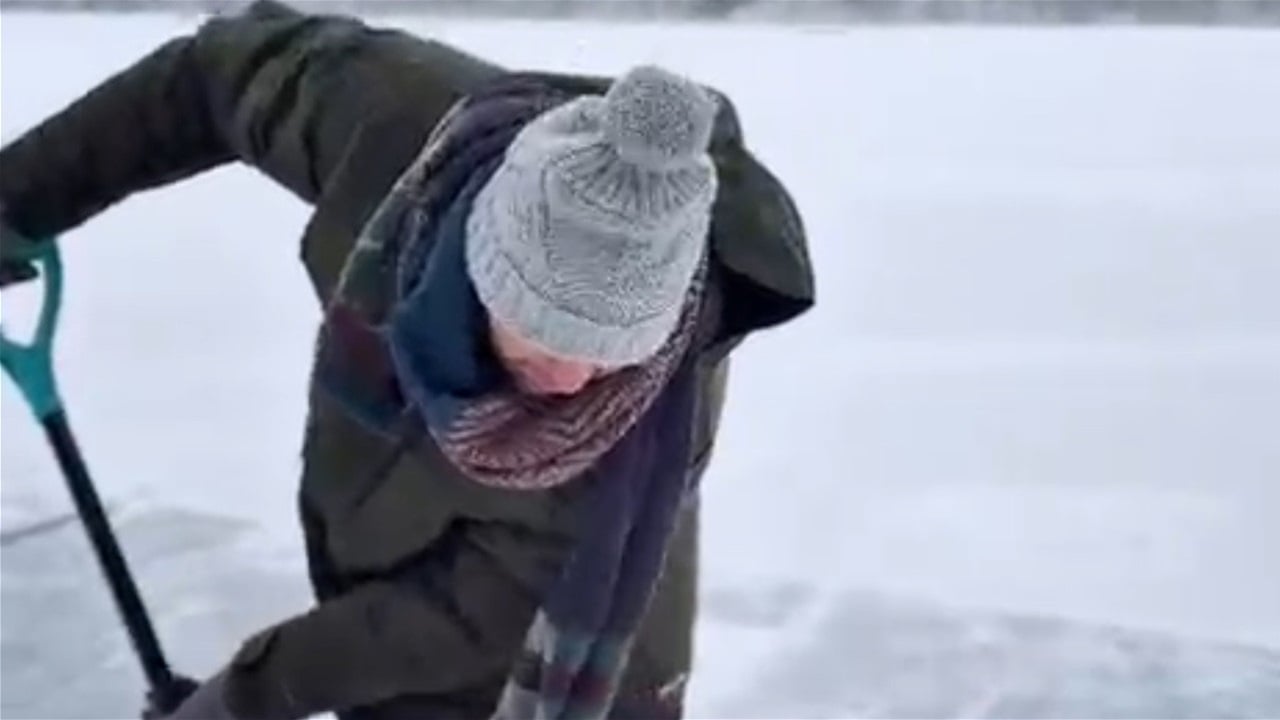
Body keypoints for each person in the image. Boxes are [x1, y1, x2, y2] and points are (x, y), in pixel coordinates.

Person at [0, 1, 815, 718]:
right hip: (391, 530)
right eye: (547, 338)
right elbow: (220, 73)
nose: (573, 387)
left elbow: (454, 616)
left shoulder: (637, 422)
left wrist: (248, 695)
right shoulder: (399, 133)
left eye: (610, 361)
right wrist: (15, 198)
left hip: (572, 655)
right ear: (483, 264)